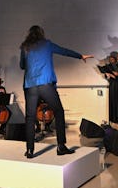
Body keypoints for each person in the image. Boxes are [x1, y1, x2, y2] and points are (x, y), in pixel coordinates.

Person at [19, 25, 93, 158]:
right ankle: (61, 146)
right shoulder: (47, 44)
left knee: (30, 117)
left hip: (30, 85)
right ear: (41, 34)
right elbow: (64, 51)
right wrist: (80, 56)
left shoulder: (25, 47)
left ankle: (30, 150)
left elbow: (22, 66)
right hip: (46, 84)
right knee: (59, 112)